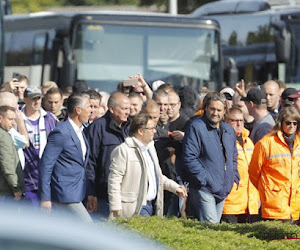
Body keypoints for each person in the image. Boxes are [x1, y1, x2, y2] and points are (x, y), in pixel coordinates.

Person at [108, 113, 187, 219]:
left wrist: (175, 187)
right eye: (151, 128)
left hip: (153, 205)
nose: (155, 131)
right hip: (134, 207)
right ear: (140, 131)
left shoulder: (150, 148)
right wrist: (115, 206)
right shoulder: (124, 150)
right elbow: (114, 180)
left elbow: (156, 176)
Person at [183, 92, 239, 223]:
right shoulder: (196, 127)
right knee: (211, 228)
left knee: (215, 231)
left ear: (225, 111)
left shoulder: (228, 130)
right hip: (204, 189)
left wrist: (233, 175)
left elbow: (233, 157)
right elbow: (190, 157)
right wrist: (204, 179)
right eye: (212, 109)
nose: (215, 113)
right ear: (206, 108)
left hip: (223, 189)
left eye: (219, 110)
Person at [39, 93, 92, 222]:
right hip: (64, 193)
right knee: (88, 226)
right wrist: (45, 197)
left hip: (78, 191)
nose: (92, 110)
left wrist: (91, 193)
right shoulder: (61, 132)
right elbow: (46, 165)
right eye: (89, 107)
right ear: (78, 110)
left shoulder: (81, 131)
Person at [248, 106, 300, 222]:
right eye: (288, 123)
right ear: (281, 123)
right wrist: (266, 189)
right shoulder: (266, 143)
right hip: (274, 204)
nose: (292, 126)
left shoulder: (299, 143)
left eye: (295, 123)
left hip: (295, 206)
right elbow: (253, 172)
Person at [85, 92, 130, 219]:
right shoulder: (98, 128)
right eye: (124, 109)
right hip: (102, 196)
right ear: (111, 108)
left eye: (129, 109)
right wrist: (90, 192)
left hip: (125, 195)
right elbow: (89, 162)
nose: (127, 112)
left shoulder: (129, 128)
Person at [221, 107, 259, 223]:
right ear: (226, 122)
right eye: (234, 120)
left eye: (241, 120)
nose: (239, 124)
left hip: (250, 205)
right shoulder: (222, 141)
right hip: (231, 204)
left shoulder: (249, 142)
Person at [22, 86, 57, 206]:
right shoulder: (17, 118)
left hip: (46, 178)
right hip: (26, 178)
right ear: (25, 99)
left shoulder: (50, 118)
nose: (37, 101)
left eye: (39, 98)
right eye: (33, 98)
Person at [0, 105, 24, 203]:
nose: (13, 123)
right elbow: (7, 165)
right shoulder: (3, 137)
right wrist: (16, 188)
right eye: (10, 119)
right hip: (6, 192)